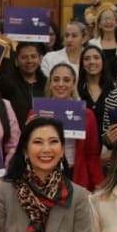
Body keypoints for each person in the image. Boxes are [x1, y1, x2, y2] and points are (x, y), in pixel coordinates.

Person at [45, 62, 104, 191]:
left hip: (76, 175)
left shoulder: (87, 115)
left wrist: (98, 182)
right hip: (45, 176)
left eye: (66, 80)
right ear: (50, 84)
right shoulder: (36, 113)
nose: (61, 84)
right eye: (56, 80)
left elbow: (93, 153)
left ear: (73, 85)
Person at [0, 42, 49, 126]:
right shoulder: (9, 84)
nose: (29, 61)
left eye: (33, 56)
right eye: (24, 57)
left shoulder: (47, 84)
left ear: (40, 59)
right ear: (16, 61)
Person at [78, 43, 114, 121]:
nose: (92, 62)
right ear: (82, 64)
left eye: (96, 58)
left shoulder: (114, 88)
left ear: (103, 61)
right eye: (87, 59)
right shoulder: (76, 89)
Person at [88, 7, 117, 78]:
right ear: (99, 24)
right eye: (105, 19)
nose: (108, 22)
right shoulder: (92, 44)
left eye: (111, 19)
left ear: (116, 23)